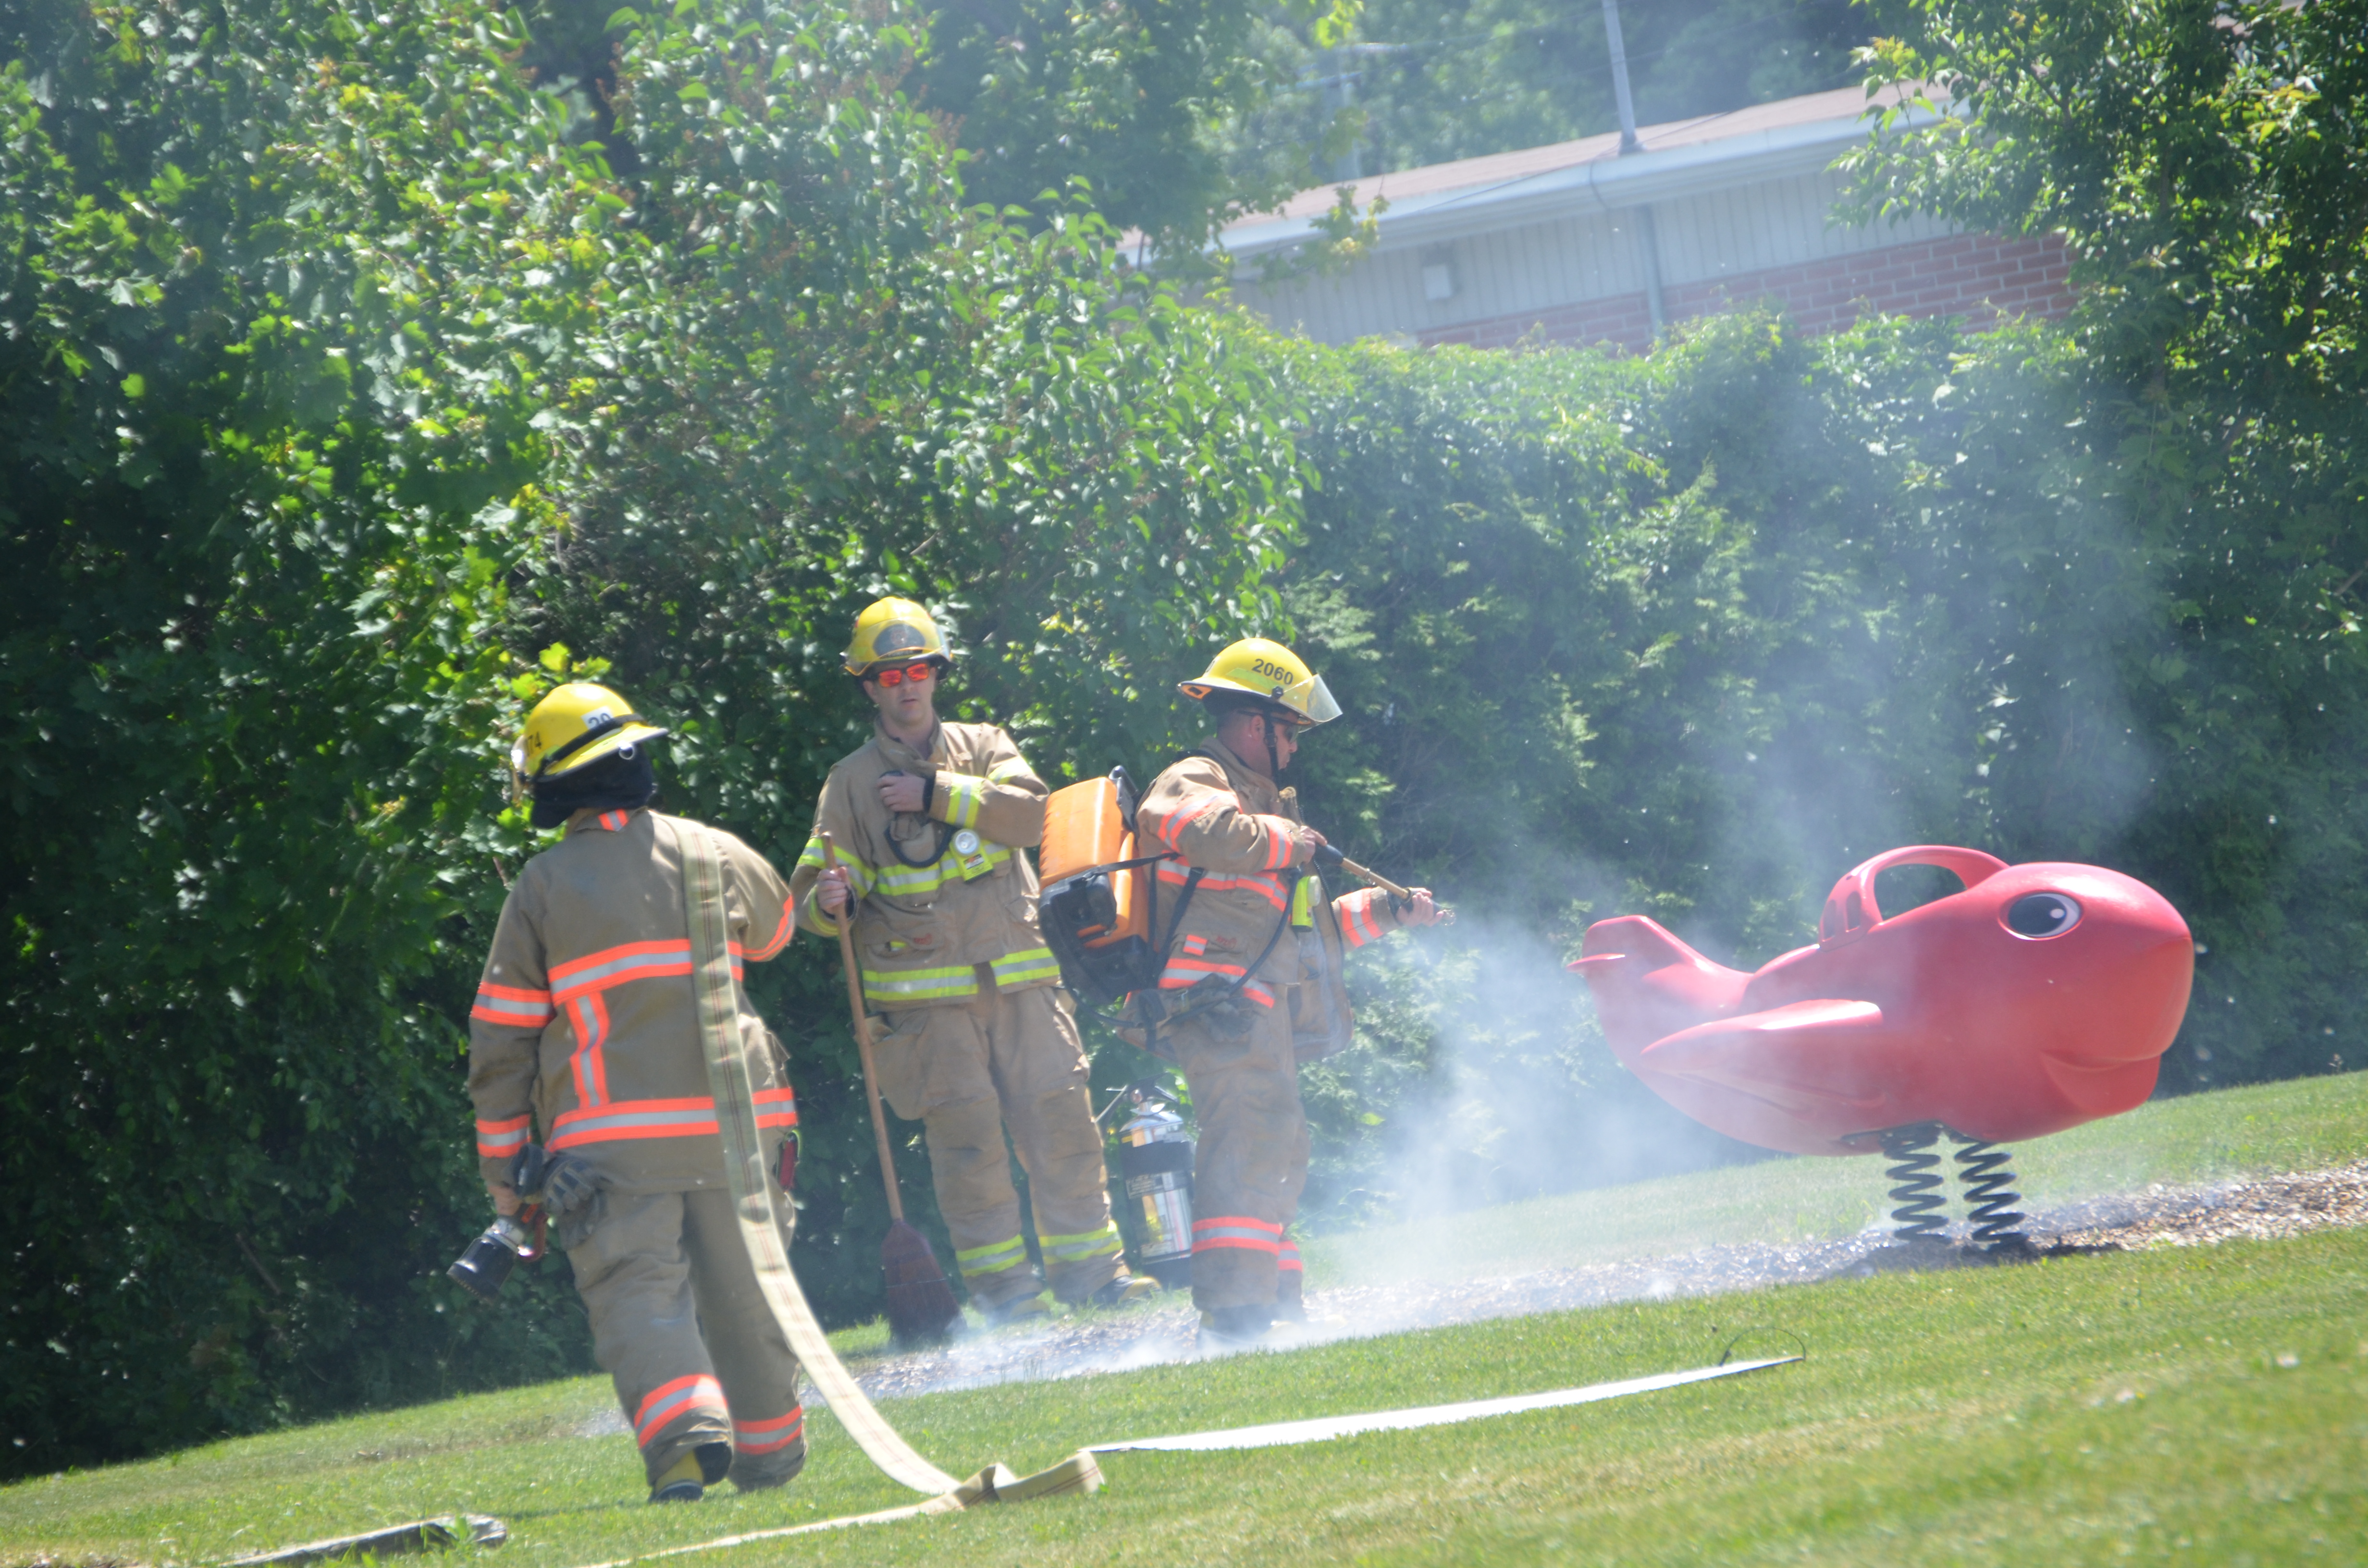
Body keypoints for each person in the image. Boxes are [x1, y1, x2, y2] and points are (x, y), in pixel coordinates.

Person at [466, 682, 807, 1505]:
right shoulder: (710, 851)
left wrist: (505, 1169)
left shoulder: (542, 887)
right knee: (748, 1293)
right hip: (738, 1135)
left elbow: (502, 1038)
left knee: (637, 1295)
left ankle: (687, 1448)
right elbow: (778, 931)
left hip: (613, 1153)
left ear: (554, 784)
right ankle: (770, 1459)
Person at [790, 599, 1152, 1323]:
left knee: (1064, 1129)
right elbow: (816, 886)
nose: (907, 685)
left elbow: (1030, 816)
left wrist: (935, 793)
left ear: (937, 675)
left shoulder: (985, 746)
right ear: (869, 686)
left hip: (1023, 984)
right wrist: (827, 897)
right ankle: (1007, 1296)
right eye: (890, 675)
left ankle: (1095, 1275)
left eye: (919, 669)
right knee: (969, 1155)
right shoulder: (850, 784)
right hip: (928, 1012)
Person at [1130, 638, 1442, 1349]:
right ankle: (1235, 1317)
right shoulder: (1198, 776)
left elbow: (1309, 937)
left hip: (1250, 1000)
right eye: (1290, 730)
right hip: (1214, 999)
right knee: (1250, 1138)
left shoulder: (1268, 809)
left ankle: (1273, 1302)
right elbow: (1187, 824)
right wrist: (1285, 838)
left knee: (1276, 1142)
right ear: (1253, 723)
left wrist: (1389, 911)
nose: (1296, 748)